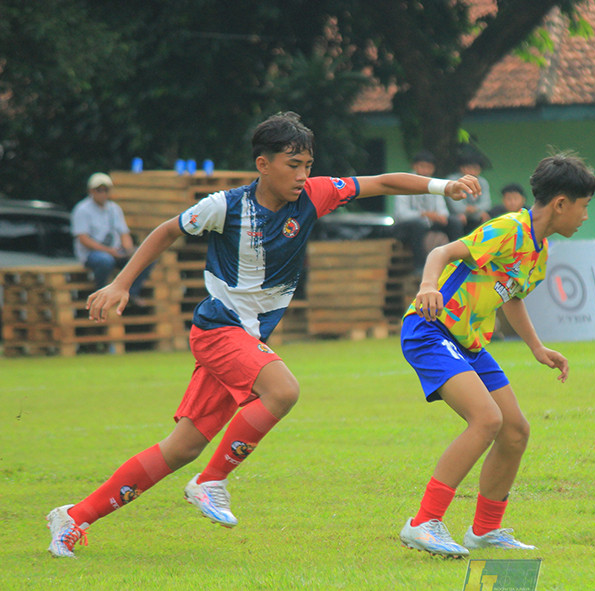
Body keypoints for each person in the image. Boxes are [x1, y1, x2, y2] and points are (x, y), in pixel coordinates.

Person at [45, 111, 480, 558]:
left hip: (247, 339)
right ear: (263, 164)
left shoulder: (314, 195)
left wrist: (442, 187)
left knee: (182, 448)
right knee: (283, 389)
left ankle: (74, 516)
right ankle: (211, 481)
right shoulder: (225, 206)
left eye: (308, 165)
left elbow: (383, 182)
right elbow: (167, 231)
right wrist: (121, 283)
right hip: (218, 329)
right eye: (293, 165)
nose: (303, 175)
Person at [398, 152, 595, 557]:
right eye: (584, 206)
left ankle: (485, 530)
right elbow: (441, 254)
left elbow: (512, 297)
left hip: (468, 341)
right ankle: (423, 523)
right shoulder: (508, 229)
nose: (585, 216)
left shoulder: (539, 252)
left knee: (515, 430)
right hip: (430, 328)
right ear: (561, 204)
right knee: (487, 419)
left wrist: (537, 347)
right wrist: (427, 286)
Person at [71, 172, 154, 305]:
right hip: (91, 254)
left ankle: (131, 293)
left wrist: (129, 250)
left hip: (115, 251)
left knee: (145, 256)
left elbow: (124, 233)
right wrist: (109, 251)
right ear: (91, 191)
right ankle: (100, 295)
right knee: (105, 260)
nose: (103, 193)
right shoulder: (82, 210)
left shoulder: (114, 209)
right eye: (99, 190)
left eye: (106, 190)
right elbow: (83, 239)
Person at [392, 150, 462, 272]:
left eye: (429, 167)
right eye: (422, 166)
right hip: (406, 226)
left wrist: (442, 217)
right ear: (414, 166)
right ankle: (419, 267)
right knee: (418, 224)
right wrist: (423, 214)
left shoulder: (435, 183)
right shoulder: (404, 182)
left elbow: (442, 210)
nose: (425, 170)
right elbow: (401, 214)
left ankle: (457, 261)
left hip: (429, 223)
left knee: (454, 222)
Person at [447, 149, 493, 235]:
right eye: (469, 168)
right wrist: (475, 210)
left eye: (475, 168)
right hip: (454, 216)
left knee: (488, 218)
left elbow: (487, 204)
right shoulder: (453, 180)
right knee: (456, 220)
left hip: (474, 215)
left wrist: (473, 209)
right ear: (461, 168)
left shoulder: (483, 182)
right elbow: (456, 208)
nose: (472, 172)